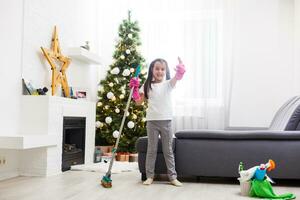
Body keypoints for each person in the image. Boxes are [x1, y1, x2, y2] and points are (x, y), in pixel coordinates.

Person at [129, 57, 186, 186]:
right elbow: (138, 102)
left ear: (165, 71)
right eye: (157, 69)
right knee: (151, 150)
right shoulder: (147, 85)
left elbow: (177, 78)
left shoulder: (168, 84)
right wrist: (135, 90)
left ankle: (172, 177)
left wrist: (180, 72)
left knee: (168, 150)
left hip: (166, 121)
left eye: (162, 69)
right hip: (152, 122)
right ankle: (149, 176)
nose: (159, 71)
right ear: (152, 69)